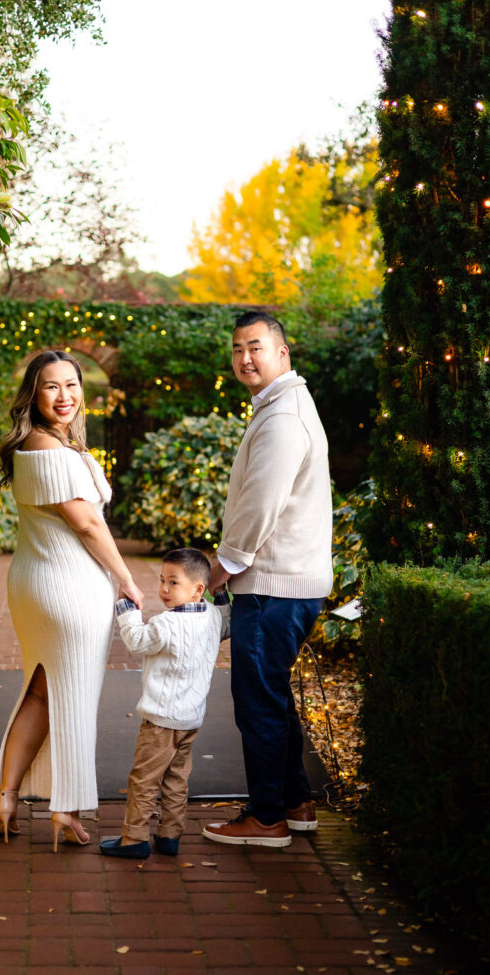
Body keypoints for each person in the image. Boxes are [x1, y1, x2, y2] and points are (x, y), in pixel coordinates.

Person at [0, 349, 144, 852]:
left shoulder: (43, 444)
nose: (64, 396)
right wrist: (126, 579)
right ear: (33, 394)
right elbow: (87, 523)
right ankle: (66, 809)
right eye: (51, 386)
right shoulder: (49, 449)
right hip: (69, 587)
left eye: (72, 385)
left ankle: (6, 800)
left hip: (36, 581)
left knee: (40, 691)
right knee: (75, 699)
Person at [202, 311, 333, 849]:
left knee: (257, 700)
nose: (245, 359)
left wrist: (222, 567)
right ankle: (295, 803)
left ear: (282, 351)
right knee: (272, 694)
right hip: (287, 581)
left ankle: (266, 818)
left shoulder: (282, 417)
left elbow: (260, 504)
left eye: (255, 347)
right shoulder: (282, 406)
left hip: (274, 584)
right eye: (237, 350)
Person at [100, 548, 231, 858]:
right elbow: (229, 623)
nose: (164, 589)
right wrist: (221, 595)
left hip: (160, 721)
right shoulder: (213, 617)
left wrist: (127, 607)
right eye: (162, 580)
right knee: (176, 778)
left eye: (173, 582)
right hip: (191, 720)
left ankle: (134, 839)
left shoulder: (166, 624)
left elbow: (135, 640)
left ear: (197, 589)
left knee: (144, 780)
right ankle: (170, 835)